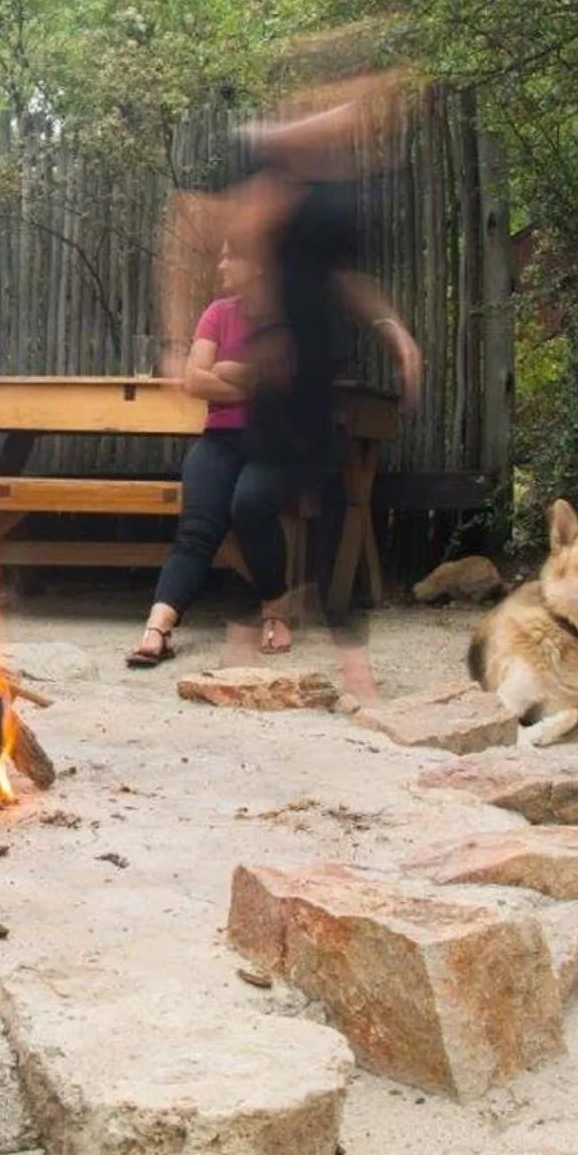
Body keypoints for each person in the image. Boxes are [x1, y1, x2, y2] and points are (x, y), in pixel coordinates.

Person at [175, 44, 424, 702]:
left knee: (337, 509)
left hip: (318, 377)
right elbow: (214, 228)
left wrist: (392, 329)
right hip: (273, 376)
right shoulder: (269, 151)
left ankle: (349, 661)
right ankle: (266, 606)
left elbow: (347, 279)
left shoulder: (337, 193)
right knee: (251, 503)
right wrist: (262, 329)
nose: (373, 128)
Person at [126, 242, 264, 667]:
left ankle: (277, 612)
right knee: (196, 529)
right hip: (219, 439)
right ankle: (158, 628)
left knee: (252, 503)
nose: (221, 262)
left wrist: (225, 371)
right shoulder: (219, 313)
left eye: (232, 254)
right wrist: (251, 381)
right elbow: (194, 380)